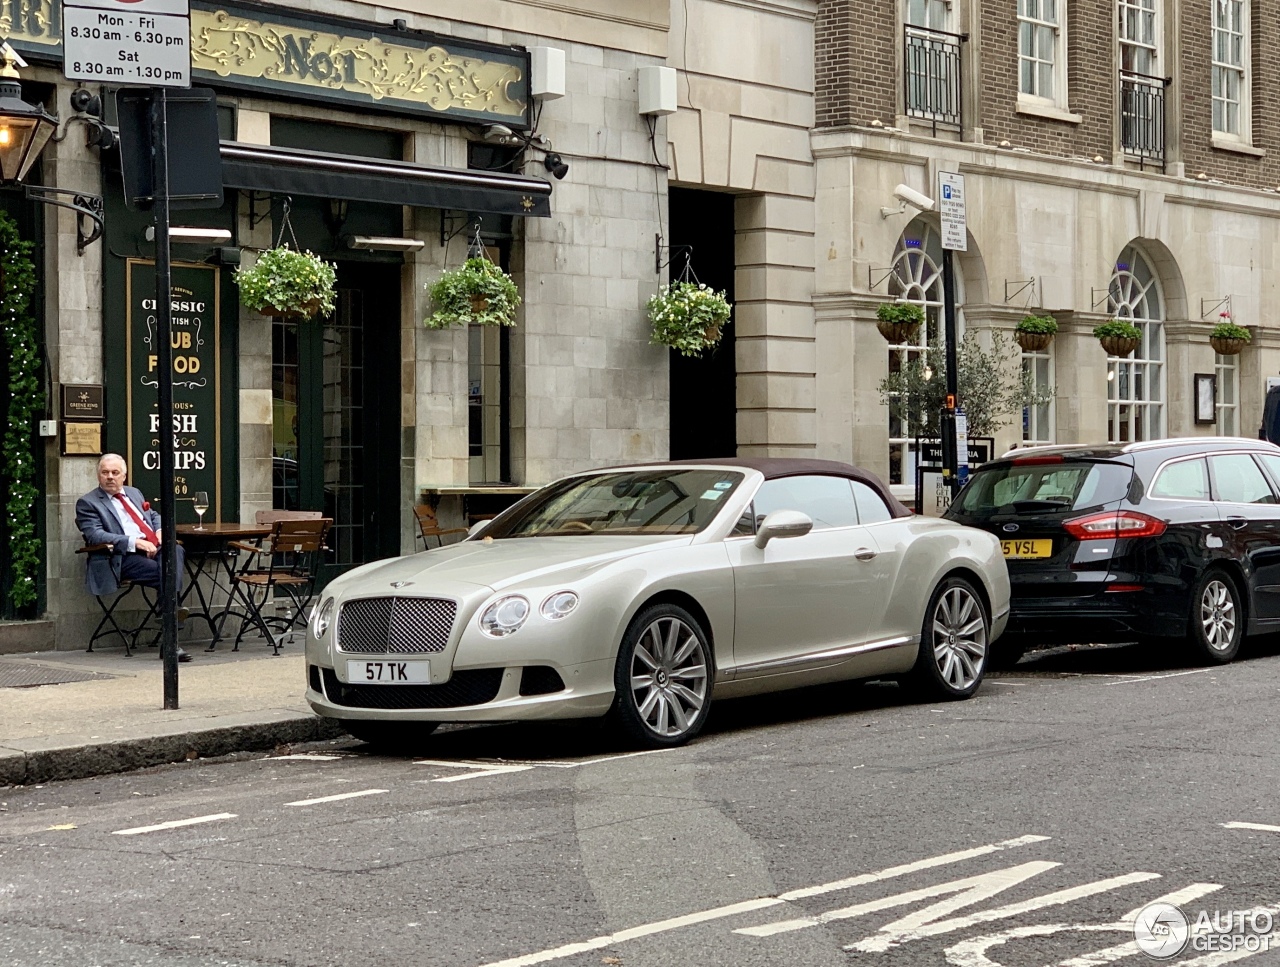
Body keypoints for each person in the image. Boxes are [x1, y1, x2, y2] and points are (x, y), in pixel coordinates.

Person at [76, 453, 191, 661]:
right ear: (98, 476)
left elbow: (153, 515)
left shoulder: (134, 493)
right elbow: (95, 535)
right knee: (167, 572)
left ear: (124, 476)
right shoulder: (88, 502)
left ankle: (169, 632)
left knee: (176, 551)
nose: (110, 477)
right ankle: (171, 633)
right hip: (121, 557)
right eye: (105, 473)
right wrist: (134, 541)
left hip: (153, 549)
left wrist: (158, 531)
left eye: (115, 472)